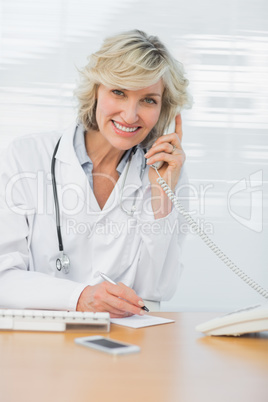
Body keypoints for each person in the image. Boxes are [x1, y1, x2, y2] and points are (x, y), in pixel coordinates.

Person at [0, 30, 192, 317]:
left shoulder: (164, 171)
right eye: (119, 92)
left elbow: (156, 292)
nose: (130, 115)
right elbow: (4, 278)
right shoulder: (25, 156)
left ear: (163, 109)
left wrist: (160, 196)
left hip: (124, 344)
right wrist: (79, 297)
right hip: (39, 342)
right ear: (95, 91)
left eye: (149, 100)